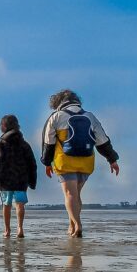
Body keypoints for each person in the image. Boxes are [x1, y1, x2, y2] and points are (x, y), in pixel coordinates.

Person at [40, 89, 120, 238]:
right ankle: (71, 225)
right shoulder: (90, 116)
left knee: (70, 194)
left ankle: (78, 225)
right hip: (86, 161)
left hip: (65, 161)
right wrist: (112, 159)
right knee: (76, 195)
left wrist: (46, 162)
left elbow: (48, 143)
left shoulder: (55, 117)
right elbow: (102, 141)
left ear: (58, 103)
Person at [0, 114, 38, 238]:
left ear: (3, 126)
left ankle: (7, 230)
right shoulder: (24, 144)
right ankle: (20, 228)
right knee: (20, 204)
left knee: (6, 204)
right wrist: (32, 180)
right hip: (21, 179)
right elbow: (32, 163)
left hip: (5, 180)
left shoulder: (0, 143)